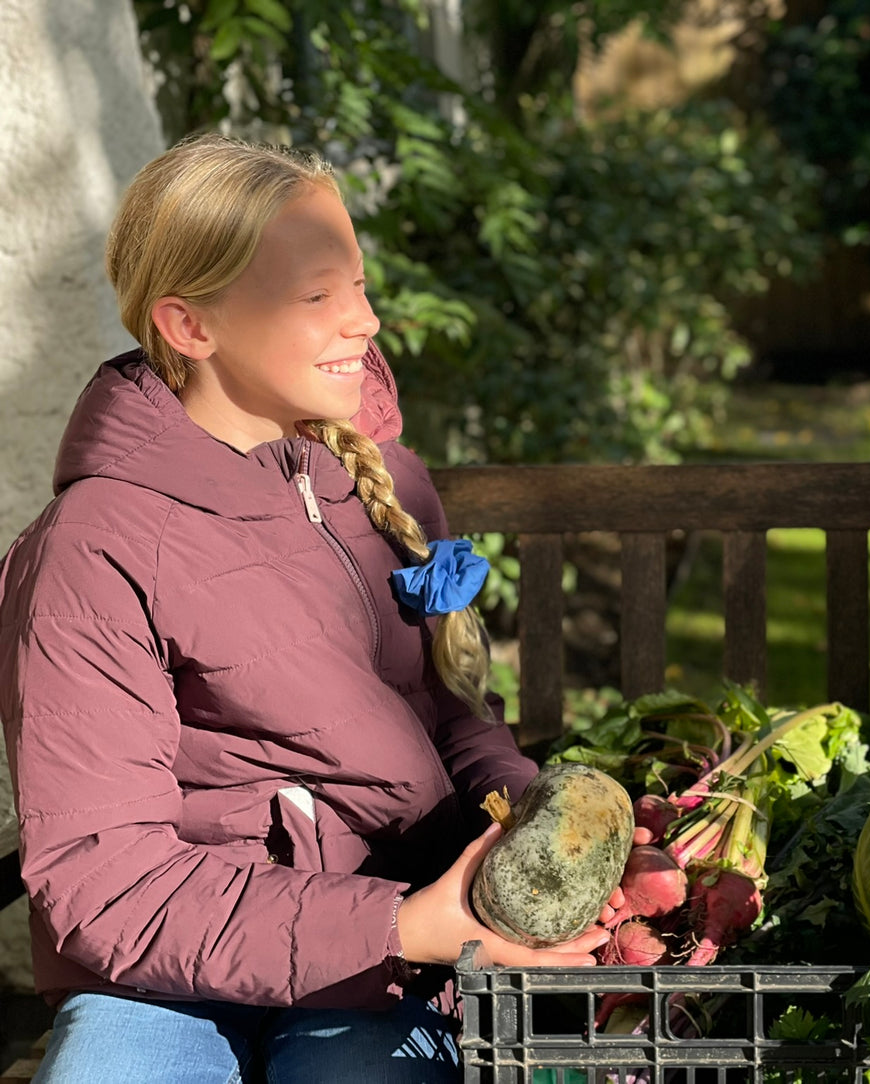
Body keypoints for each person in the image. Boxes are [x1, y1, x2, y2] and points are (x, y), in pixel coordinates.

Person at [0, 133, 625, 1082]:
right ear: (190, 325)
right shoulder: (94, 546)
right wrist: (403, 922)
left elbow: (447, 723)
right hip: (163, 977)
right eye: (318, 297)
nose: (366, 323)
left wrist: (524, 813)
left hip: (389, 961)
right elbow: (108, 882)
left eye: (361, 288)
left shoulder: (385, 487)